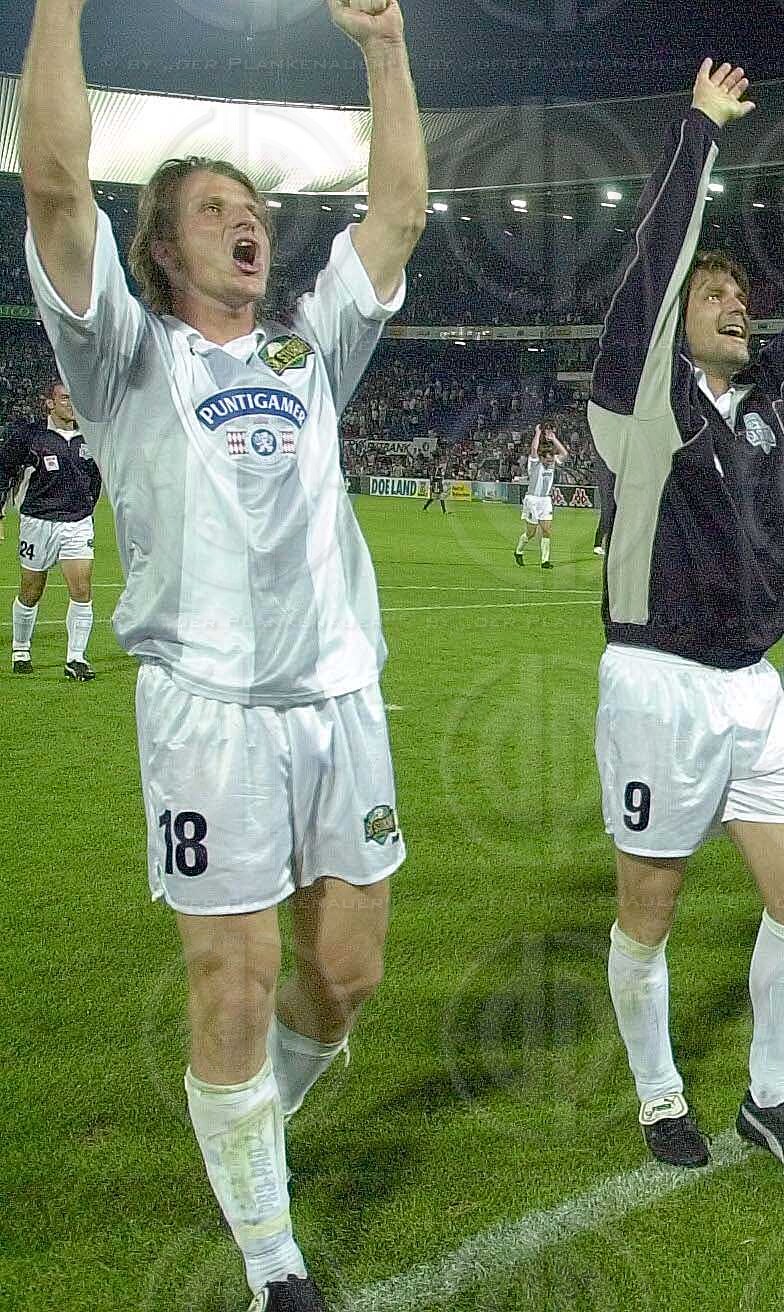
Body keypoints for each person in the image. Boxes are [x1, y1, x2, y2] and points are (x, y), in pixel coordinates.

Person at [20, 0, 427, 1305]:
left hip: (339, 704)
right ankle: (272, 1258)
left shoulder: (312, 347)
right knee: (232, 973)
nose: (245, 220)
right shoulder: (123, 354)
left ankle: (254, 1137)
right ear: (161, 248)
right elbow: (52, 179)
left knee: (345, 977)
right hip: (208, 710)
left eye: (252, 208)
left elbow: (401, 218)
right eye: (212, 209)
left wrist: (384, 49)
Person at [587, 62, 784, 1184]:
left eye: (735, 295)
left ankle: (764, 1093)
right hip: (656, 684)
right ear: (673, 324)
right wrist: (697, 133)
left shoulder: (760, 412)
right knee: (647, 910)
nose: (733, 305)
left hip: (751, 686)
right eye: (714, 297)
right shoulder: (634, 407)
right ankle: (659, 1094)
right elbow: (650, 278)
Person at [3, 379, 100, 678]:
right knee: (31, 591)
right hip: (37, 522)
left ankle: (76, 659)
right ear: (49, 402)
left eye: (74, 398)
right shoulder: (31, 437)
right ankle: (21, 647)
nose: (70, 404)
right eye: (64, 398)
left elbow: (97, 478)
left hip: (77, 523)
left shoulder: (91, 437)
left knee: (82, 589)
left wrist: (86, 507)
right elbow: (4, 470)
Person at [514, 423, 565, 568]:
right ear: (542, 459)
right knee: (530, 533)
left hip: (546, 501)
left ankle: (545, 561)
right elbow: (534, 449)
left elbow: (564, 454)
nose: (550, 463)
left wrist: (554, 439)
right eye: (548, 460)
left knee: (547, 530)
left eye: (551, 460)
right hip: (532, 500)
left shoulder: (552, 463)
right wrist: (537, 433)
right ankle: (519, 551)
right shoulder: (534, 464)